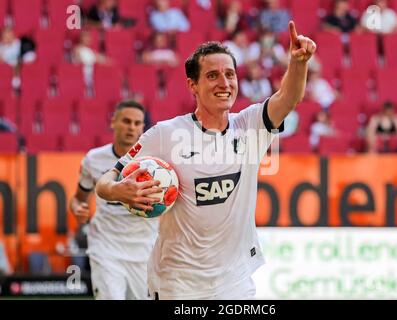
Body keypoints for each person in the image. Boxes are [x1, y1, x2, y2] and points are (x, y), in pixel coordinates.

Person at [96, 20, 316, 300]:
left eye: (230, 74)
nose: (224, 83)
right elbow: (105, 181)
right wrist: (118, 191)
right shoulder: (166, 134)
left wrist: (298, 63)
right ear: (193, 85)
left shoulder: (250, 126)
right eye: (212, 76)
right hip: (177, 282)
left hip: (235, 280)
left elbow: (289, 98)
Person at [70, 100, 159, 300]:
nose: (131, 127)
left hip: (145, 251)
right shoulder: (94, 159)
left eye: (137, 123)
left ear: (143, 128)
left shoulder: (156, 163)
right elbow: (77, 199)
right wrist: (77, 208)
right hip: (106, 248)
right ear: (113, 122)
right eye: (126, 121)